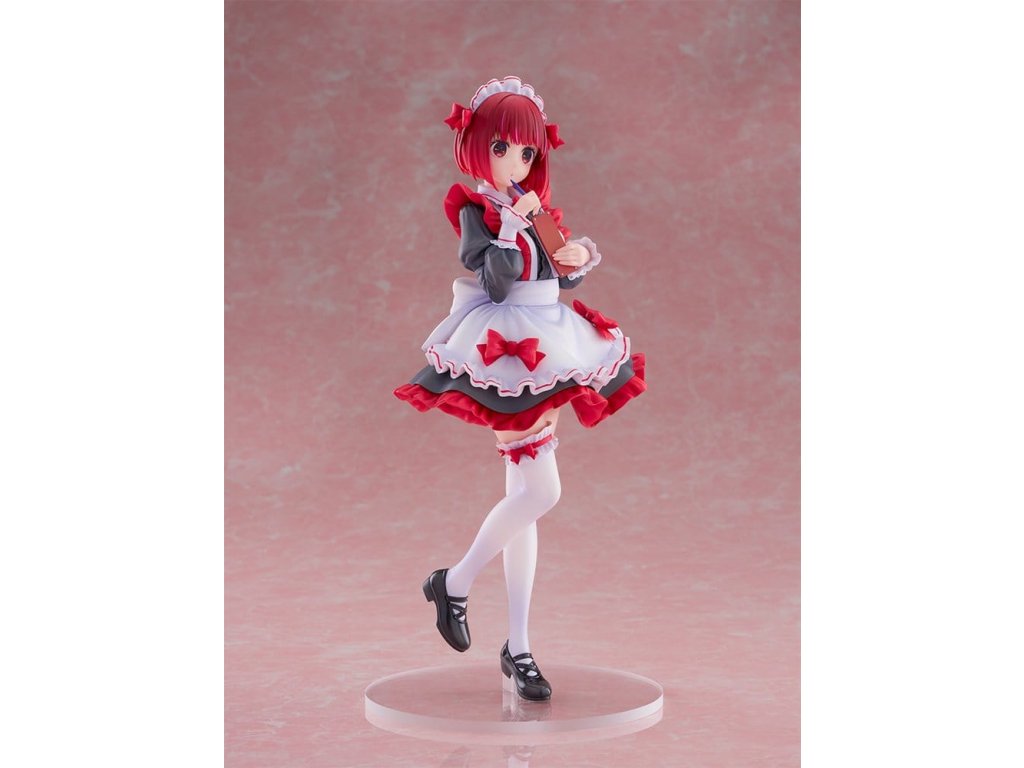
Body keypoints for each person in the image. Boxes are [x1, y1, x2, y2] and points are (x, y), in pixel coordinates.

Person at [394, 75, 647, 701]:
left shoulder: (535, 208)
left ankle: (519, 646)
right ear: (478, 147)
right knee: (540, 491)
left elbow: (560, 277)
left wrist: (570, 254)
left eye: (528, 151)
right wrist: (510, 226)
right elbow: (498, 280)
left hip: (550, 335)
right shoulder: (476, 209)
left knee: (525, 501)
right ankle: (454, 582)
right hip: (505, 344)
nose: (516, 161)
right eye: (503, 147)